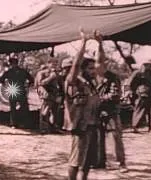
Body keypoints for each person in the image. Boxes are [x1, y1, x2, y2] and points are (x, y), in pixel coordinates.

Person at [63, 29, 107, 180]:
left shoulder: (93, 82)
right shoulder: (73, 81)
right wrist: (83, 43)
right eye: (90, 68)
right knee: (76, 160)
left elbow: (100, 62)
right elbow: (76, 64)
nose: (93, 71)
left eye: (93, 69)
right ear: (82, 69)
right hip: (80, 126)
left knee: (88, 161)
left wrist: (100, 44)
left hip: (93, 124)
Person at [98, 70, 128, 172]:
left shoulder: (112, 77)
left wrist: (98, 99)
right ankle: (100, 161)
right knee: (97, 138)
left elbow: (114, 95)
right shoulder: (89, 76)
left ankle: (120, 163)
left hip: (110, 111)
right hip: (95, 112)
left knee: (115, 137)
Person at [126, 59, 151, 132]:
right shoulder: (137, 73)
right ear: (143, 64)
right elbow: (129, 83)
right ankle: (135, 126)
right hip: (141, 94)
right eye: (147, 64)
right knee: (139, 110)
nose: (149, 66)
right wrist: (129, 91)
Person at [0, 58, 34, 128]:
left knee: (23, 107)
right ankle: (14, 123)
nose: (13, 65)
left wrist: (28, 86)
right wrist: (5, 85)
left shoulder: (21, 71)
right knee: (14, 108)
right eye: (12, 63)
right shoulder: (10, 72)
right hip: (13, 89)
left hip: (19, 89)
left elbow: (31, 79)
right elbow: (1, 80)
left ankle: (23, 123)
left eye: (14, 63)